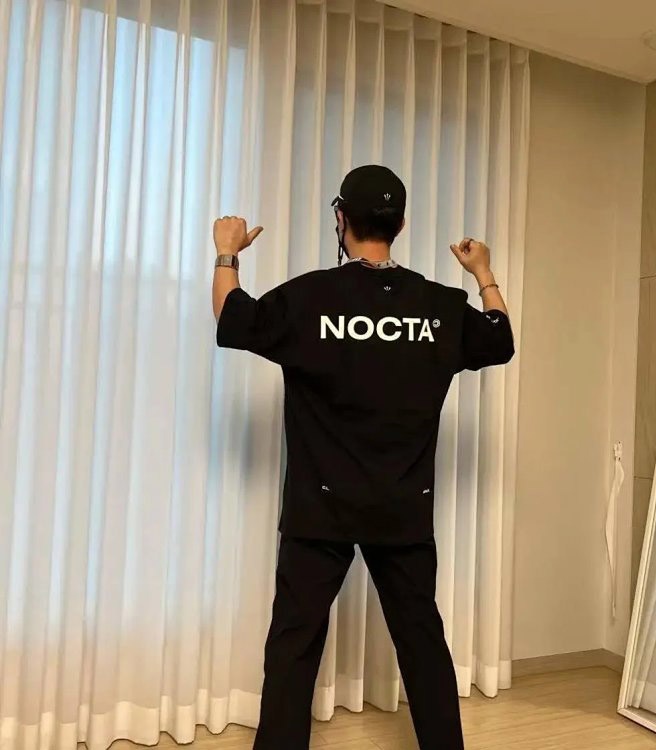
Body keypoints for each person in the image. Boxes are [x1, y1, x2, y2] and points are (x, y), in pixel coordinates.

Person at [212, 165, 514, 750]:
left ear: (341, 219)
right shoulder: (440, 305)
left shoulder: (309, 297)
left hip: (319, 506)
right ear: (400, 224)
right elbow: (499, 338)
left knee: (295, 642)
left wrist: (227, 253)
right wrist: (483, 274)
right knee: (421, 640)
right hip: (402, 505)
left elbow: (233, 317)